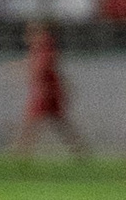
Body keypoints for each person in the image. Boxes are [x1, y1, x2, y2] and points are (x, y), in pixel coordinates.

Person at [12, 20, 87, 158]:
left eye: (29, 32)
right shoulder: (41, 45)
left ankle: (19, 154)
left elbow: (43, 66)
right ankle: (80, 151)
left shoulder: (44, 45)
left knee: (31, 123)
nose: (26, 36)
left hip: (46, 91)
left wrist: (33, 76)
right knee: (59, 123)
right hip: (49, 90)